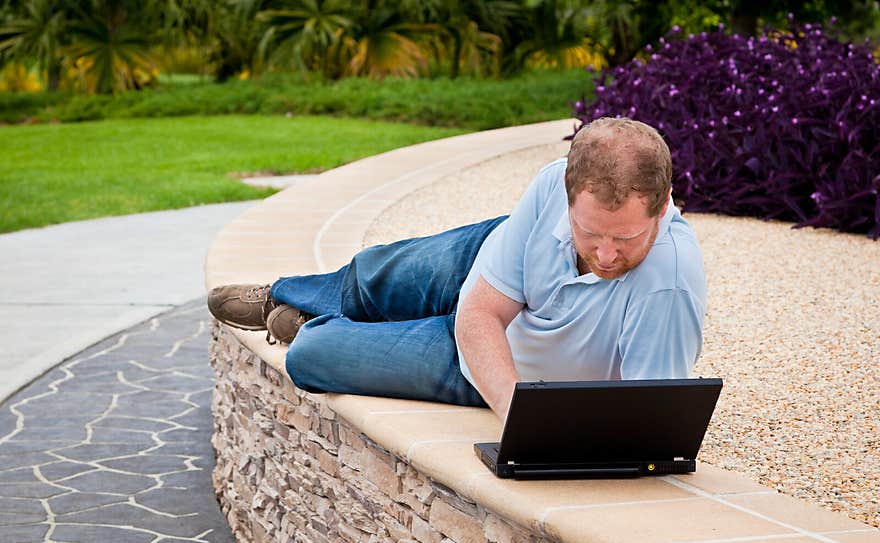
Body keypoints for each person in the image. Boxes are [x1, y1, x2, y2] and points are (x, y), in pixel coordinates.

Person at [207, 117, 707, 423]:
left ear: (662, 208)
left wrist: (522, 418)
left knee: (313, 355)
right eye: (589, 233)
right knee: (374, 273)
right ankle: (285, 294)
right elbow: (482, 312)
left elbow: (648, 427)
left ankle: (314, 322)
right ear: (569, 196)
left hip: (493, 368)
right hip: (484, 272)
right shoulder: (553, 183)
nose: (604, 255)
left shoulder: (669, 285)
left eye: (624, 239)